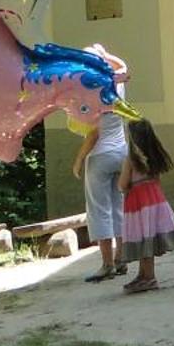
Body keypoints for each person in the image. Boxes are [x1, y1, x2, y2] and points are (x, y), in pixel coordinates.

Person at [116, 119, 174, 294]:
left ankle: (148, 277)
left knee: (143, 239)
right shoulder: (154, 156)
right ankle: (143, 274)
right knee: (147, 237)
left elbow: (122, 185)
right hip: (155, 201)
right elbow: (156, 180)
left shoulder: (130, 160)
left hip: (138, 204)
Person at [72, 107, 131, 282]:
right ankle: (121, 258)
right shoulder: (117, 87)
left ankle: (107, 264)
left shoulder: (91, 95)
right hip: (121, 151)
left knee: (99, 211)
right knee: (118, 207)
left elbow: (93, 134)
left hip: (99, 157)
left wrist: (79, 160)